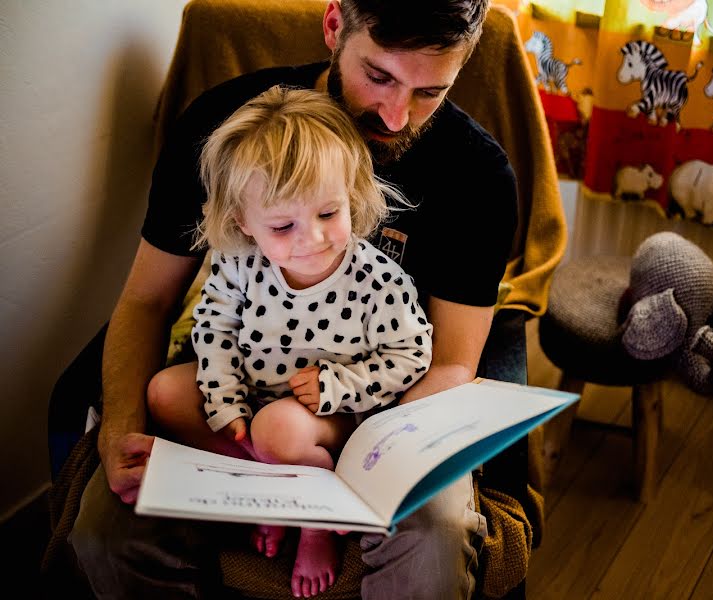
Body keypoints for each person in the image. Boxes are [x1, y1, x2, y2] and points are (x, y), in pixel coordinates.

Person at [69, 1, 523, 598]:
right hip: (239, 397)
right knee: (107, 532)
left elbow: (449, 366)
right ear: (335, 25)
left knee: (435, 535)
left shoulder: (477, 176)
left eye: (429, 92)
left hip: (381, 409)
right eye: (379, 76)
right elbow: (148, 301)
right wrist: (120, 433)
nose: (395, 116)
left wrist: (356, 448)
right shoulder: (229, 128)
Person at [145, 85, 433, 598]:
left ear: (352, 195)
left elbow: (412, 355)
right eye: (283, 225)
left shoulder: (377, 280)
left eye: (329, 213)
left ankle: (315, 521)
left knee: (279, 427)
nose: (313, 239)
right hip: (257, 401)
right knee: (166, 391)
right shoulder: (238, 265)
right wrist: (224, 399)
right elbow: (213, 331)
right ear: (244, 224)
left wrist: (336, 386)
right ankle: (274, 483)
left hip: (329, 418)